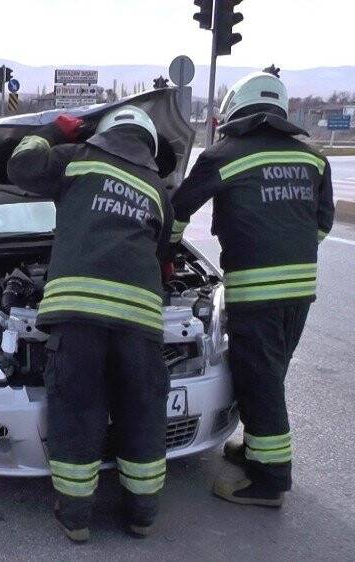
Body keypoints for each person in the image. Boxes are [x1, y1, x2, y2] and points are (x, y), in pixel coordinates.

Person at [6, 106, 172, 542]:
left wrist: (49, 131)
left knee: (78, 408)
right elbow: (163, 249)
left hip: (77, 313)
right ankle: (143, 515)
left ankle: (76, 517)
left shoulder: (76, 157)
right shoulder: (157, 187)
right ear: (148, 144)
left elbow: (22, 167)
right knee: (142, 410)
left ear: (103, 134)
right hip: (140, 318)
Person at [171, 69, 334, 508]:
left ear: (234, 109)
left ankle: (269, 481)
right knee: (270, 372)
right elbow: (322, 225)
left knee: (258, 378)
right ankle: (256, 446)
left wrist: (162, 258)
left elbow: (178, 213)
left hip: (254, 291)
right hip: (300, 291)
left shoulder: (223, 154)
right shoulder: (314, 157)